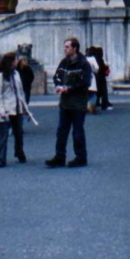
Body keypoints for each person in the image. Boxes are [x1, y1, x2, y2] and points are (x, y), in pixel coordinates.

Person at [45, 37, 93, 168]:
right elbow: (57, 76)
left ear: (74, 48)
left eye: (67, 47)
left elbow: (85, 83)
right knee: (61, 131)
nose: (64, 49)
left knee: (77, 131)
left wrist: (69, 88)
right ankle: (60, 156)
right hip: (65, 103)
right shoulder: (64, 62)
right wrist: (59, 85)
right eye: (64, 46)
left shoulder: (84, 64)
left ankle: (81, 157)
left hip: (78, 103)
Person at [0, 51, 31, 167]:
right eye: (15, 60)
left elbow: (20, 93)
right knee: (4, 135)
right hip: (6, 109)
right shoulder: (0, 76)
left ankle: (19, 153)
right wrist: (1, 110)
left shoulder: (16, 74)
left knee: (19, 133)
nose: (17, 62)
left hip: (17, 108)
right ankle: (0, 158)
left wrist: (26, 110)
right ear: (10, 62)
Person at [93, 46, 113, 111]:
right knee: (103, 91)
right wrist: (106, 68)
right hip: (100, 77)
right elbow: (100, 68)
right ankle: (104, 103)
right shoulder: (99, 59)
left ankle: (97, 102)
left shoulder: (95, 58)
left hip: (97, 77)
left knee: (98, 91)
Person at [85, 47, 100, 114]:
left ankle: (86, 107)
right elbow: (97, 68)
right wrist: (95, 72)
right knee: (93, 94)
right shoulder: (92, 59)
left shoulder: (84, 58)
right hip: (91, 76)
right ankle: (92, 108)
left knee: (86, 93)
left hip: (84, 77)